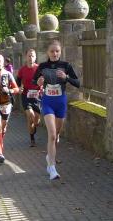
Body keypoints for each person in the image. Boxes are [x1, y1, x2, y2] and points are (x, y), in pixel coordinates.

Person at [34, 40, 79, 180]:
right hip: (48, 102)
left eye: (57, 51)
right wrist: (38, 82)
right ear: (47, 52)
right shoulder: (42, 66)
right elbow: (34, 81)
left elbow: (77, 83)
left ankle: (50, 156)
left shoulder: (66, 66)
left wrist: (66, 77)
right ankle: (52, 168)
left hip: (61, 103)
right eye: (52, 51)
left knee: (56, 135)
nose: (54, 53)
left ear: (60, 52)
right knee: (52, 135)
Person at [16, 48, 41, 147]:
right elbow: (18, 81)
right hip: (26, 95)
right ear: (26, 57)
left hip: (37, 96)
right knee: (30, 115)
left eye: (33, 56)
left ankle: (35, 127)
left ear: (35, 57)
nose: (31, 58)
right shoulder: (22, 70)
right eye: (29, 56)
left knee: (36, 121)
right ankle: (32, 138)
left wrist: (42, 87)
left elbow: (44, 81)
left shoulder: (39, 69)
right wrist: (19, 88)